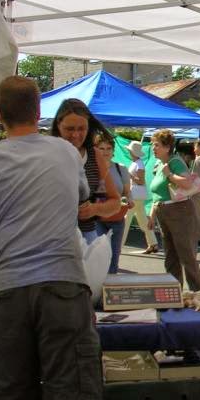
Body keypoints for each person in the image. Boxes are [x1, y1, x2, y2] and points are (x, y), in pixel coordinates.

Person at [0, 76, 102, 400]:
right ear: (40, 113)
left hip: (7, 290)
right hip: (63, 284)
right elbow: (82, 199)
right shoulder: (65, 153)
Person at [51, 98, 121, 242]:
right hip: (51, 237)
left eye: (81, 129)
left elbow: (115, 202)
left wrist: (95, 209)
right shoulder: (46, 152)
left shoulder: (94, 155)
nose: (75, 135)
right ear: (58, 125)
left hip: (85, 236)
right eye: (69, 129)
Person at [147, 130, 200, 290]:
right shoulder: (159, 164)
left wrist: (169, 175)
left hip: (179, 211)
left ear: (167, 147)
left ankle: (196, 293)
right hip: (163, 211)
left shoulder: (174, 162)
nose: (153, 148)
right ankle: (174, 293)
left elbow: (187, 183)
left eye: (156, 145)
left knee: (186, 255)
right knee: (170, 256)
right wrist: (151, 216)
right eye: (153, 145)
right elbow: (157, 194)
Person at [94, 134, 132, 274]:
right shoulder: (90, 169)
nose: (105, 152)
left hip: (117, 217)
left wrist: (129, 200)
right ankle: (97, 291)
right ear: (96, 150)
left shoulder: (120, 168)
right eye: (101, 148)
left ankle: (110, 292)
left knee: (114, 258)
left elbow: (127, 192)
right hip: (96, 218)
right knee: (98, 257)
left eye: (108, 148)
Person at [122, 140, 159, 254]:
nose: (129, 152)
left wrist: (130, 176)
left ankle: (118, 245)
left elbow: (141, 181)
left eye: (130, 151)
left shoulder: (139, 164)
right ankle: (153, 244)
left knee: (126, 220)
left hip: (135, 195)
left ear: (133, 152)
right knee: (142, 220)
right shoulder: (137, 163)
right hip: (137, 195)